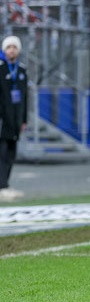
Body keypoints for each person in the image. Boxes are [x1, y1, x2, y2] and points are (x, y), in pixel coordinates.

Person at [0, 35, 27, 201]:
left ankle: (5, 184)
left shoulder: (22, 70)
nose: (12, 50)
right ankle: (1, 186)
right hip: (2, 120)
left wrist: (23, 119)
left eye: (14, 47)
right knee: (1, 154)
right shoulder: (1, 69)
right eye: (9, 47)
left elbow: (25, 97)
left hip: (15, 120)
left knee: (11, 154)